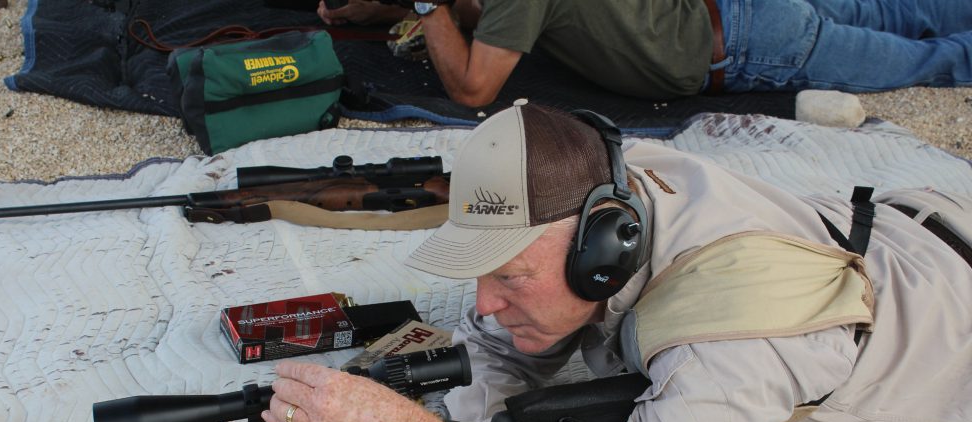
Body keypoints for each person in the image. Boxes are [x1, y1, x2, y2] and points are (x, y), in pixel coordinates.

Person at [261, 102, 972, 422]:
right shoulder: (610, 181)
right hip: (910, 224)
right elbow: (492, 350)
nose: (481, 305)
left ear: (604, 252)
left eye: (510, 273)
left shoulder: (731, 338)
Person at [316, 0, 972, 106]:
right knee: (902, 11)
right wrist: (388, 11)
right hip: (751, 16)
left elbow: (473, 88)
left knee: (937, 65)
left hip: (752, 47)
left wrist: (426, 8)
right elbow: (492, 14)